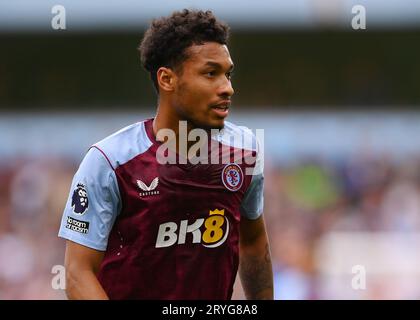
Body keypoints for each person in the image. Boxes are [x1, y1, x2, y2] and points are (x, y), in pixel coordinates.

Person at [58, 9, 273, 300]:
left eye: (228, 74)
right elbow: (77, 272)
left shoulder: (245, 151)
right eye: (211, 73)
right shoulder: (110, 162)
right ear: (167, 79)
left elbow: (254, 242)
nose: (227, 88)